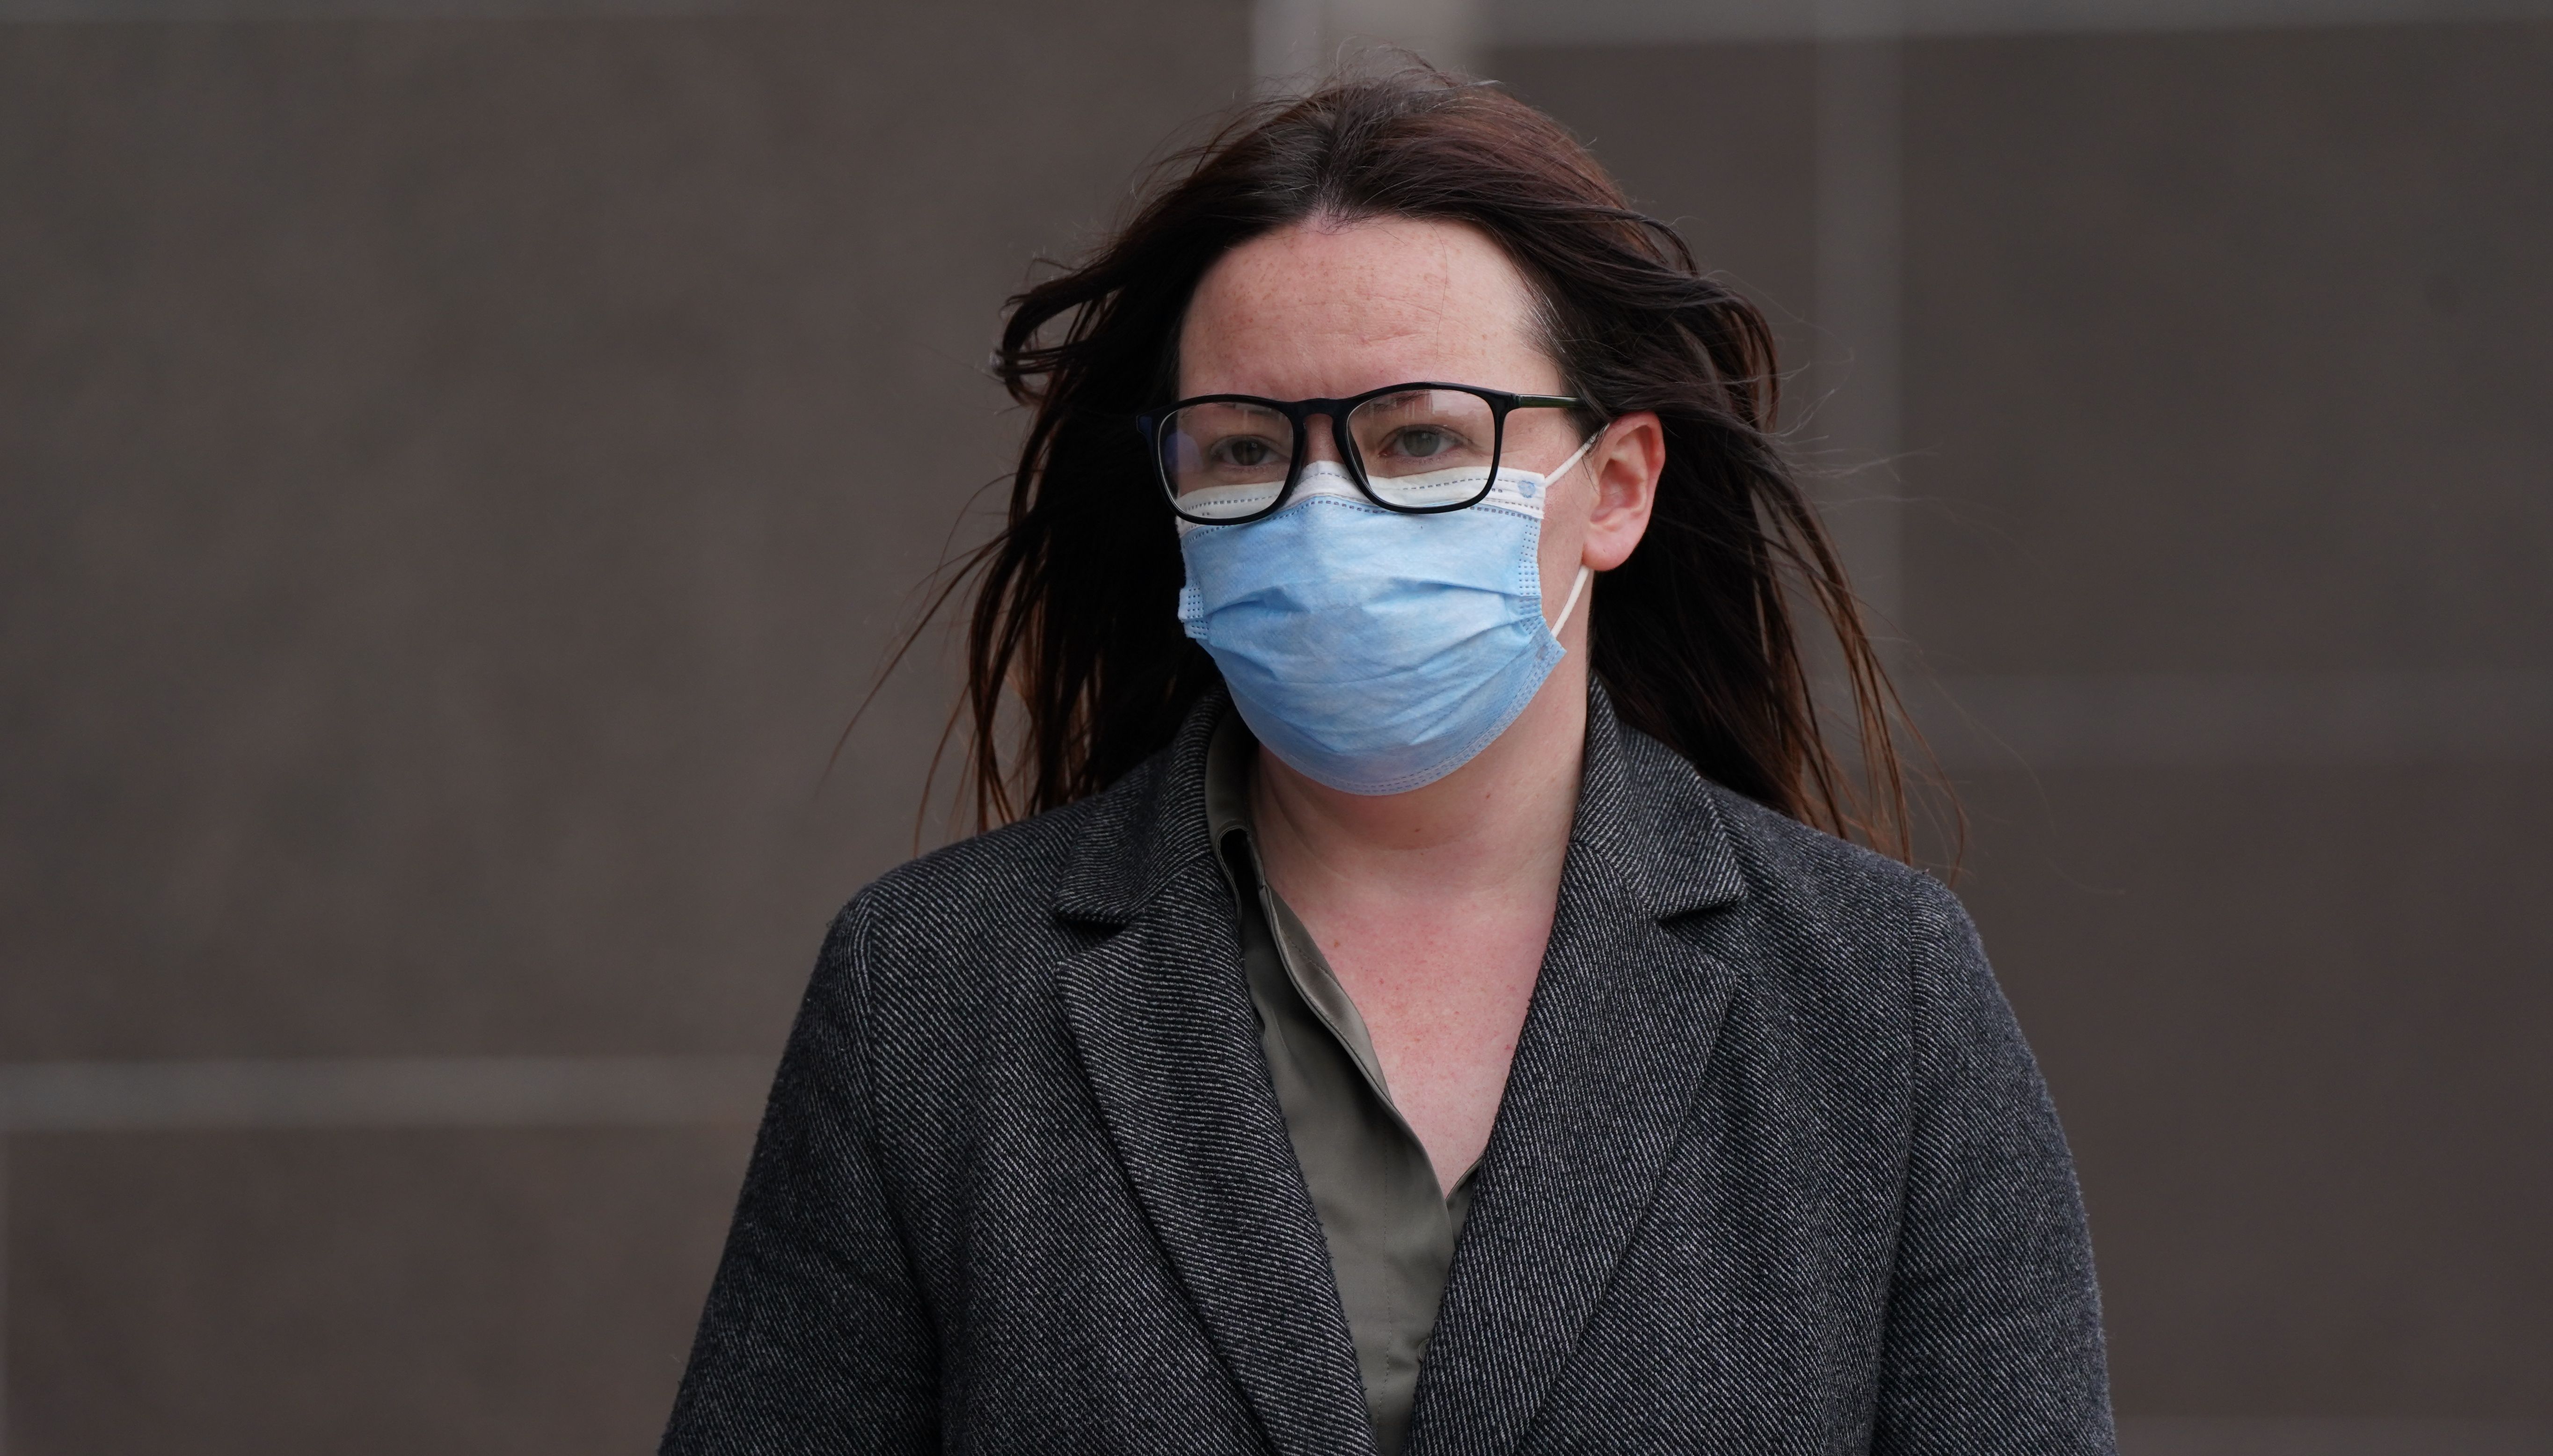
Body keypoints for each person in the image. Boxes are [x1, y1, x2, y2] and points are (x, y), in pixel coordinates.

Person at [662, 69, 2113, 1456]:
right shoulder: (932, 996)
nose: (1325, 513)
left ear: (1615, 489)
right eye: (1244, 450)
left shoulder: (1877, 998)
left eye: (1420, 437)